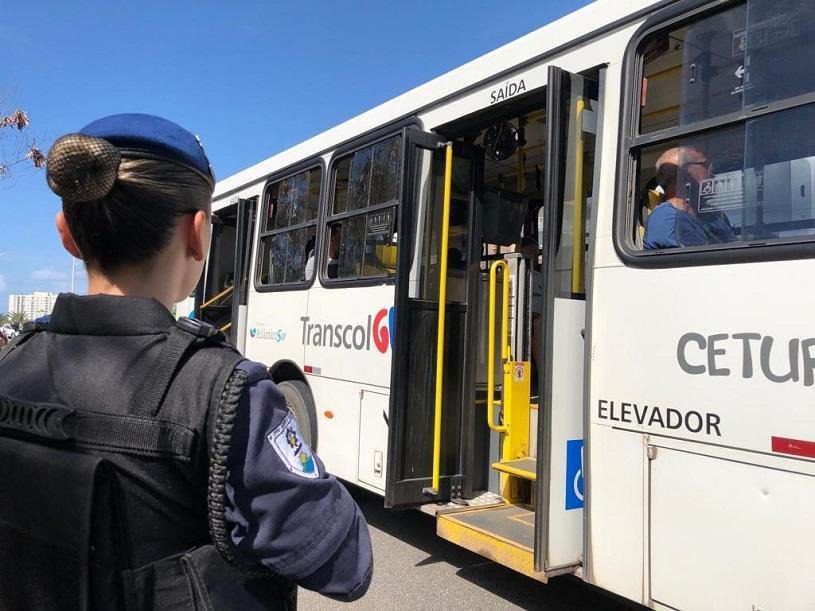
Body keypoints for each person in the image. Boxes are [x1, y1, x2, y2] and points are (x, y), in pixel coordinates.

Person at [0, 114, 372, 610]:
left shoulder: (12, 365)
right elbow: (346, 565)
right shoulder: (227, 390)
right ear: (197, 233)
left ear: (67, 234)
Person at [643, 146, 736, 249]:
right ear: (684, 173)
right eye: (706, 166)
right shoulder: (666, 218)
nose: (713, 175)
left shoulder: (715, 216)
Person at [519, 236, 543, 389]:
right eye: (531, 253)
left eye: (536, 254)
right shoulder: (519, 274)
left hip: (541, 317)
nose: (535, 258)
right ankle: (543, 375)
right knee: (539, 327)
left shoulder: (540, 276)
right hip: (527, 319)